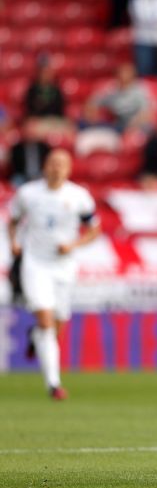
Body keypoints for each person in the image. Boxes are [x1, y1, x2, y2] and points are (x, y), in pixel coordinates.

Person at [8, 149, 101, 400]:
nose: (57, 168)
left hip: (64, 265)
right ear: (44, 166)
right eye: (52, 163)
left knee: (58, 322)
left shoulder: (79, 196)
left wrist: (73, 246)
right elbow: (13, 220)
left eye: (62, 164)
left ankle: (36, 336)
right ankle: (54, 384)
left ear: (69, 169)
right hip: (35, 264)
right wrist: (13, 243)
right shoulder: (28, 193)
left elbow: (94, 229)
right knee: (47, 321)